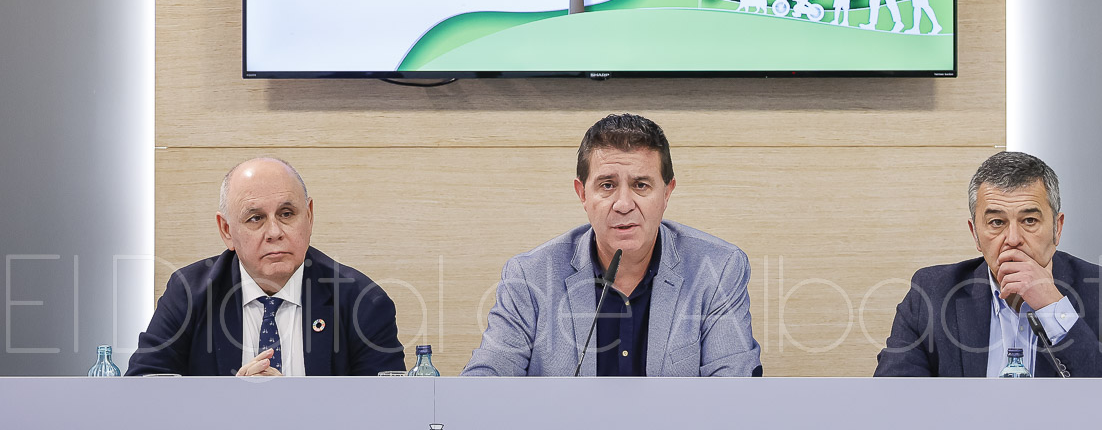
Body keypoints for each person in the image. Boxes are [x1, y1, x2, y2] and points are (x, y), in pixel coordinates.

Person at [463, 113, 762, 377]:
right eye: (607, 185)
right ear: (583, 194)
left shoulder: (718, 269)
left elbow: (733, 393)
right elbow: (484, 386)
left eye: (640, 185)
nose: (623, 204)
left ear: (667, 193)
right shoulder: (529, 277)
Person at [126, 157, 406, 376]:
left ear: (309, 217)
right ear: (226, 230)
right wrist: (231, 404)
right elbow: (142, 391)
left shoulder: (362, 301)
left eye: (287, 214)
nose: (274, 232)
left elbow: (388, 410)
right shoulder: (188, 294)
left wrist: (294, 406)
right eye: (255, 218)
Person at [874, 151, 1102, 377]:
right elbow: (893, 399)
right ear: (975, 235)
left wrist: (1053, 307)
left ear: (1057, 228)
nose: (1013, 239)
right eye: (997, 222)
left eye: (1029, 221)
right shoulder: (931, 293)